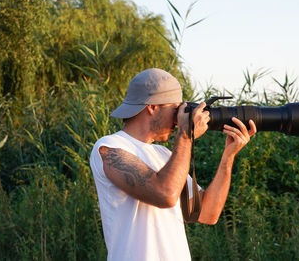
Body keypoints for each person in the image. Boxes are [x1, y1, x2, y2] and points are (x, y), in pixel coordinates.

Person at [90, 68, 257, 261]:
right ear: (152, 107)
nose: (179, 119)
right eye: (176, 109)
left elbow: (207, 213)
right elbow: (165, 194)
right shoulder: (109, 147)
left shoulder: (164, 155)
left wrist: (228, 155)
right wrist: (185, 134)